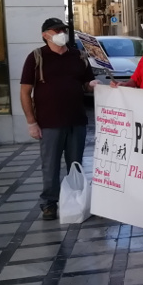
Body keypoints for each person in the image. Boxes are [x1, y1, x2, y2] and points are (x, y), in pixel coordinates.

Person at [20, 18, 98, 221]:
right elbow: (25, 91)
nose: (62, 33)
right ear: (45, 35)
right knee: (50, 165)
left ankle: (75, 200)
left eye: (64, 30)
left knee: (76, 164)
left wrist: (94, 84)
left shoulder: (78, 56)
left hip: (76, 120)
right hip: (49, 122)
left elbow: (87, 84)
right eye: (57, 30)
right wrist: (31, 122)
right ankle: (49, 203)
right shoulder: (36, 57)